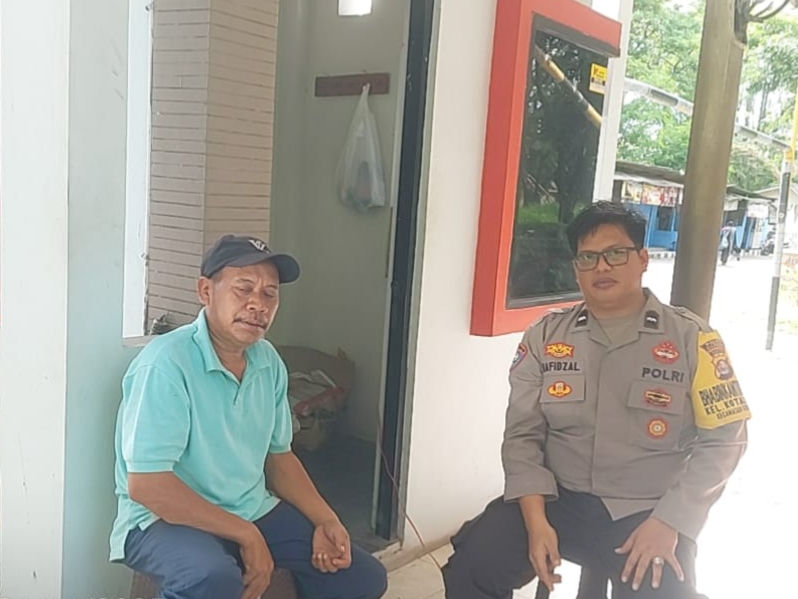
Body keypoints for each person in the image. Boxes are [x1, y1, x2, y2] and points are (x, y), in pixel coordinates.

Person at [442, 202, 750, 599]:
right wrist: (535, 521)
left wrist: (671, 521)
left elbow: (726, 441)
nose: (601, 267)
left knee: (663, 591)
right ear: (576, 269)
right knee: (473, 564)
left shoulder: (693, 339)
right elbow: (522, 436)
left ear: (642, 259)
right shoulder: (545, 337)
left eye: (615, 254)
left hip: (644, 511)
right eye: (588, 258)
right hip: (557, 500)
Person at [109, 234, 388, 599]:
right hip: (160, 520)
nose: (258, 304)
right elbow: (148, 486)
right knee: (210, 577)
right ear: (206, 291)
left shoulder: (268, 361)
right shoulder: (166, 364)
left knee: (361, 577)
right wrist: (246, 534)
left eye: (270, 294)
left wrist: (326, 518)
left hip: (249, 508)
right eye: (243, 289)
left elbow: (279, 458)